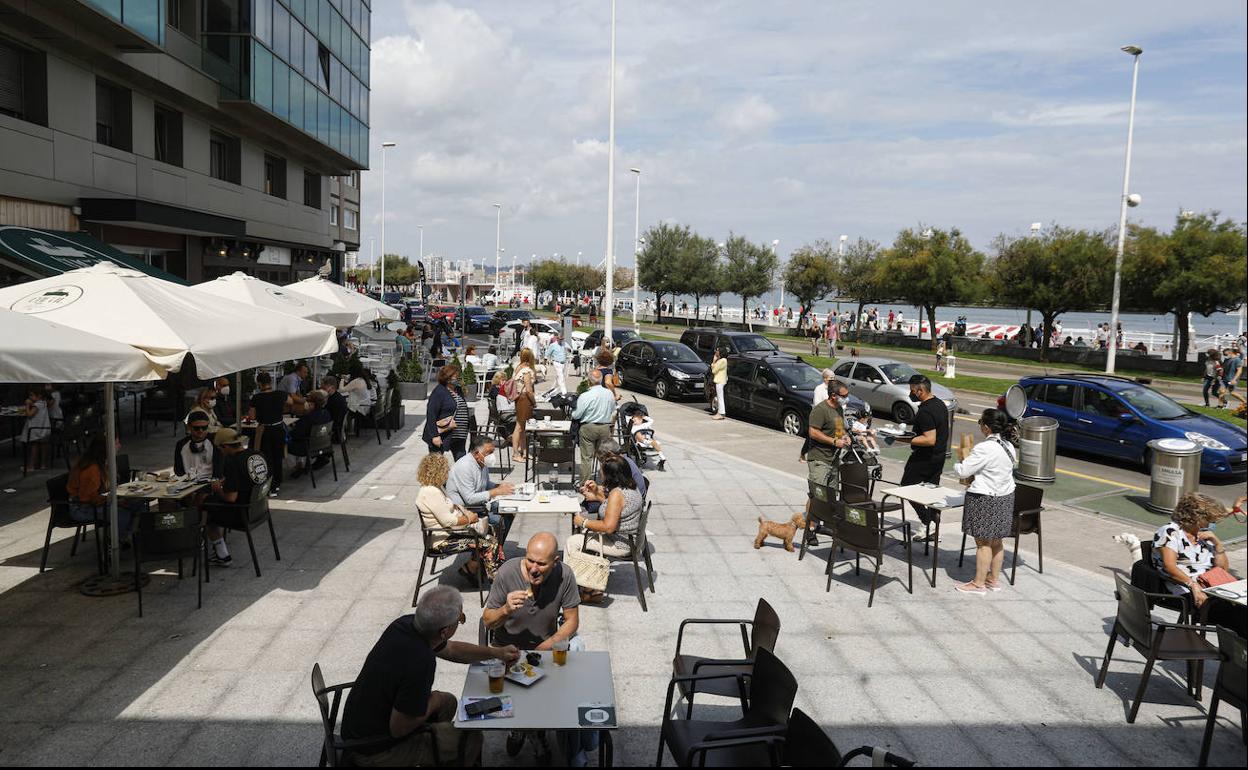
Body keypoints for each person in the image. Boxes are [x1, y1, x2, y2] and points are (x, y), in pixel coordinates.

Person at [341, 586, 521, 767]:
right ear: (444, 631)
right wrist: (433, 701)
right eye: (460, 619)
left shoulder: (406, 624)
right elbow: (399, 728)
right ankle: (439, 750)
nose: (461, 621)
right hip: (374, 750)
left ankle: (438, 745)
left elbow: (452, 650)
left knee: (449, 702)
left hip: (361, 722)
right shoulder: (420, 660)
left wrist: (496, 652)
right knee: (471, 739)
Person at [1152, 492, 1246, 637]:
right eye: (1208, 520)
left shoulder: (1202, 534)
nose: (1211, 524)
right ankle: (1235, 655)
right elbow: (1169, 566)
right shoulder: (1170, 532)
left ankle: (1235, 654)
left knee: (1241, 611)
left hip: (1212, 587)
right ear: (1197, 517)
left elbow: (1222, 569)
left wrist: (1217, 544)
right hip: (1185, 591)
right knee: (1240, 615)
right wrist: (1193, 585)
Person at [953, 409, 1018, 595]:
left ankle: (978, 584)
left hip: (984, 498)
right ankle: (993, 580)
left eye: (980, 423)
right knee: (997, 541)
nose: (980, 426)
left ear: (987, 427)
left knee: (983, 543)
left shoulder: (985, 448)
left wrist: (959, 463)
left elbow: (963, 471)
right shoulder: (1008, 445)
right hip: (1005, 497)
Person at [417, 453, 503, 580]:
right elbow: (448, 521)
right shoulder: (431, 492)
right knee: (490, 543)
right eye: (446, 469)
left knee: (491, 531)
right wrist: (470, 518)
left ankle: (475, 569)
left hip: (448, 533)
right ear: (438, 471)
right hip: (442, 542)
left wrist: (465, 512)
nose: (448, 472)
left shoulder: (435, 488)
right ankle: (495, 580)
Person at [567, 455, 644, 596]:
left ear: (610, 476)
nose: (600, 473)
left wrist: (583, 522)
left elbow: (608, 526)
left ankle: (576, 589)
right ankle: (589, 584)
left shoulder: (616, 494)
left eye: (602, 471)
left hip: (619, 544)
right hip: (629, 540)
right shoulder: (631, 487)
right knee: (582, 537)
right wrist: (597, 494)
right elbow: (616, 508)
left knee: (573, 542)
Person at [201, 428, 272, 567]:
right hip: (260, 508)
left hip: (243, 513)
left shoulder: (232, 462)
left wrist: (218, 488)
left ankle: (222, 555)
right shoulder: (257, 454)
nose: (220, 452)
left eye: (219, 448)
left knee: (206, 505)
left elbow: (231, 498)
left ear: (225, 446)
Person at [894, 375, 950, 538]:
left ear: (920, 391)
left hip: (924, 458)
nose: (910, 394)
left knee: (907, 486)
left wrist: (903, 438)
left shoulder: (925, 411)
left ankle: (927, 522)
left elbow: (929, 439)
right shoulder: (939, 404)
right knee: (932, 493)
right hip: (938, 457)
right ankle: (933, 527)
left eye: (912, 391)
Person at [68, 433, 143, 544]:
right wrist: (115, 502)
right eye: (116, 443)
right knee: (122, 514)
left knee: (139, 504)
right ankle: (113, 543)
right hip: (83, 507)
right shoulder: (92, 469)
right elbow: (87, 498)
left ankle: (124, 537)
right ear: (106, 448)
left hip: (99, 501)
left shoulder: (104, 462)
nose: (119, 446)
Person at [446, 435, 517, 542]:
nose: (491, 456)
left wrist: (499, 486)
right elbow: (469, 498)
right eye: (489, 453)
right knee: (498, 519)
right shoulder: (465, 467)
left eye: (493, 452)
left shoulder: (482, 463)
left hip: (478, 504)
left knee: (509, 510)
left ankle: (497, 547)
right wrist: (496, 491)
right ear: (476, 454)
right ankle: (490, 549)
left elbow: (486, 484)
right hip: (465, 510)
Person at [571, 369, 616, 482]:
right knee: (605, 457)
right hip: (604, 427)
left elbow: (577, 415)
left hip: (589, 427)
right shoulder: (609, 393)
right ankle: (606, 482)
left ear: (589, 381)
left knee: (587, 458)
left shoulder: (585, 395)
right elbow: (612, 410)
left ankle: (585, 484)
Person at [247, 372, 287, 497]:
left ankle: (269, 484)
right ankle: (277, 483)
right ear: (270, 381)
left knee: (267, 457)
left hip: (265, 430)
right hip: (279, 428)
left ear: (259, 383)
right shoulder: (281, 394)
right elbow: (291, 402)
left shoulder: (256, 398)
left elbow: (252, 416)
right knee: (278, 456)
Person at [806, 381, 851, 491]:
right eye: (844, 396)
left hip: (834, 460)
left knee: (831, 495)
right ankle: (812, 509)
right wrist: (834, 442)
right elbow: (813, 432)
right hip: (820, 459)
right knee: (817, 496)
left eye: (847, 395)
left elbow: (839, 428)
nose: (847, 398)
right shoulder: (820, 410)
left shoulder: (839, 408)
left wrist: (845, 436)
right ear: (833, 396)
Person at [288, 389, 333, 478]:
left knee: (284, 442)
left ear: (312, 404)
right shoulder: (326, 413)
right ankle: (300, 464)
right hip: (324, 444)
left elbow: (296, 434)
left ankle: (295, 467)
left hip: (308, 447)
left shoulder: (308, 418)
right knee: (302, 437)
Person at [423, 365, 462, 456]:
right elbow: (431, 414)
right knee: (436, 464)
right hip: (442, 433)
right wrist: (434, 435)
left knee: (461, 461)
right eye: (456, 377)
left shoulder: (458, 390)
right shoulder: (439, 392)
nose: (458, 379)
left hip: (459, 435)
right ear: (447, 378)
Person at [174, 410, 220, 482]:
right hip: (188, 483)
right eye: (196, 428)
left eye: (204, 427)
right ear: (189, 427)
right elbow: (178, 470)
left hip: (210, 483)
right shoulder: (181, 444)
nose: (201, 430)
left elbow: (219, 469)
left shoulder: (215, 442)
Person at [510, 349, 538, 462]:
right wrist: (534, 402)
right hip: (524, 399)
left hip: (519, 399)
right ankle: (516, 454)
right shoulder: (526, 370)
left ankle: (524, 451)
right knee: (519, 427)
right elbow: (528, 390)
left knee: (523, 427)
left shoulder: (518, 367)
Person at [21, 386, 52, 472]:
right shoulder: (44, 403)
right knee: (43, 446)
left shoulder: (37, 405)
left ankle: (31, 466)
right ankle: (43, 465)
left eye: (31, 395)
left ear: (39, 396)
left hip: (36, 430)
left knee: (34, 447)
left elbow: (30, 415)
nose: (30, 397)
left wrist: (27, 405)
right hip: (44, 429)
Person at [543, 333, 568, 398]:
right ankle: (564, 392)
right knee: (561, 377)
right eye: (560, 339)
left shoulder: (563, 344)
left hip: (563, 363)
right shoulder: (553, 345)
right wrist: (545, 360)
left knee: (558, 378)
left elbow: (564, 352)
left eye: (562, 339)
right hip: (557, 363)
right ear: (557, 338)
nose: (561, 340)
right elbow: (548, 353)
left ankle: (552, 390)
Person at [710, 349, 728, 421]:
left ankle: (721, 413)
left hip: (719, 381)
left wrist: (714, 361)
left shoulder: (722, 361)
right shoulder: (724, 360)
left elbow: (713, 371)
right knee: (719, 397)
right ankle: (720, 413)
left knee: (720, 398)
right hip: (721, 381)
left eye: (717, 350)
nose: (716, 352)